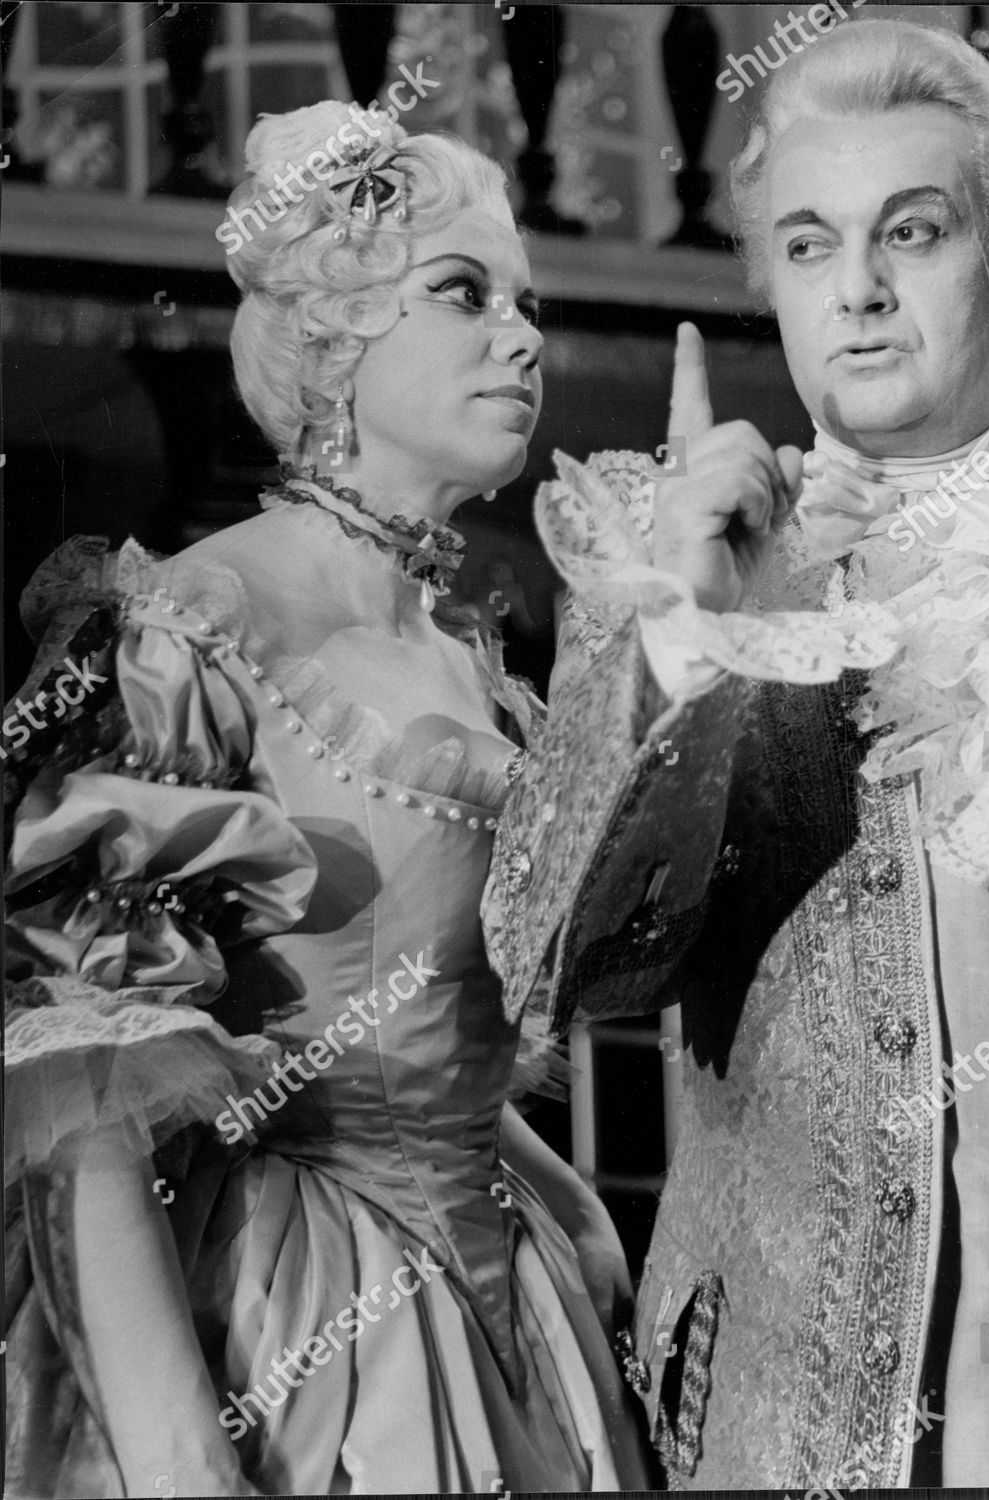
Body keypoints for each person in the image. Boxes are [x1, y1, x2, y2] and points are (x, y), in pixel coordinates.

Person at [482, 18, 989, 1489]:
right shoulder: (671, 563)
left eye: (912, 233)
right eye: (807, 245)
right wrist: (691, 636)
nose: (857, 290)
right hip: (816, 1433)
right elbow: (561, 969)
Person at [3, 101, 650, 1496]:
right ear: (337, 332)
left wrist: (551, 1184)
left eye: (528, 304)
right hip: (296, 1314)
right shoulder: (193, 625)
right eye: (464, 292)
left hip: (505, 1283)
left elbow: (412, 1012)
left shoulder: (470, 655)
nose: (523, 339)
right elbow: (83, 1084)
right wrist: (179, 1458)